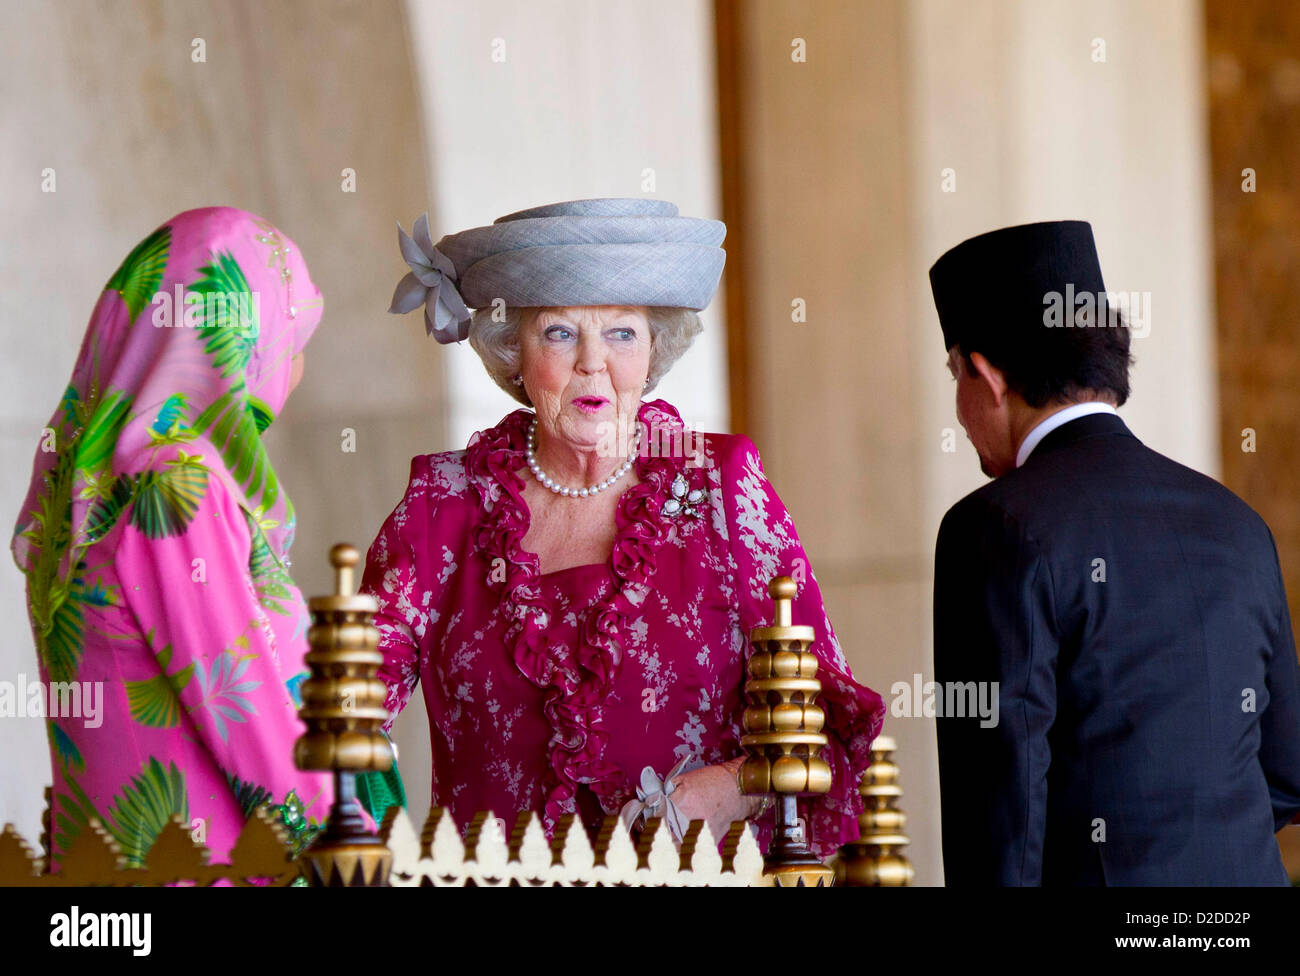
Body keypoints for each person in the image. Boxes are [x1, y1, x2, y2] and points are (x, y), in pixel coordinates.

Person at [368, 197, 884, 854]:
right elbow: (344, 711)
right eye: (558, 332)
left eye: (621, 334)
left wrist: (727, 789)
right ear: (513, 354)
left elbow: (825, 719)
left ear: (653, 351)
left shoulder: (721, 486)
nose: (593, 363)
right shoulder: (442, 504)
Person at [928, 219, 1300, 885]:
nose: (958, 408)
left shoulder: (990, 528)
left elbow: (998, 814)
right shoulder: (1238, 523)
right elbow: (1287, 775)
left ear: (985, 376)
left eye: (954, 374)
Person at [11, 206, 333, 867]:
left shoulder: (84, 478)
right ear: (241, 339)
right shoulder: (175, 487)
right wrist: (348, 838)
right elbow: (241, 707)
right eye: (292, 343)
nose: (294, 371)